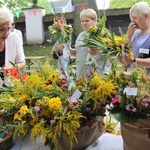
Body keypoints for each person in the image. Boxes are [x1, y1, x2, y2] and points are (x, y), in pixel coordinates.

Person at [70, 9, 110, 80]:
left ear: (95, 20)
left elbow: (111, 52)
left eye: (87, 21)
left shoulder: (102, 34)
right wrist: (68, 50)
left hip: (97, 70)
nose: (84, 23)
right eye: (82, 21)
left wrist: (99, 52)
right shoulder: (81, 35)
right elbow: (79, 50)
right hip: (81, 70)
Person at [0, 6, 25, 87]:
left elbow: (21, 63)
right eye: (2, 29)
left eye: (8, 29)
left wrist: (11, 67)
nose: (6, 33)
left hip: (9, 85)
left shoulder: (14, 37)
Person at [124, 2, 150, 74]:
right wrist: (128, 36)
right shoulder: (134, 32)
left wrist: (133, 61)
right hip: (131, 78)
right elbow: (123, 52)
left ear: (146, 15)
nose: (133, 22)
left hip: (145, 81)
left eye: (135, 18)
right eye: (131, 19)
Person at [51, 16, 71, 82]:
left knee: (64, 72)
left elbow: (62, 45)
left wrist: (54, 50)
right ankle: (64, 84)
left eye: (61, 22)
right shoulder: (59, 33)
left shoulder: (67, 33)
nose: (59, 24)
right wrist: (53, 50)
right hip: (59, 55)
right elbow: (57, 43)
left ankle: (67, 85)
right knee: (61, 71)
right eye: (58, 22)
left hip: (64, 55)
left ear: (64, 23)